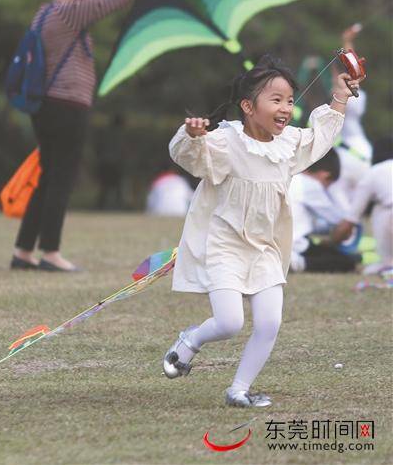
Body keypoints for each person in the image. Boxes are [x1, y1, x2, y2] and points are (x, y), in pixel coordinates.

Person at [162, 54, 362, 408]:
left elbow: (321, 137)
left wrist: (341, 95)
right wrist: (193, 136)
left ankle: (238, 390)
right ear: (248, 106)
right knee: (229, 323)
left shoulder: (289, 146)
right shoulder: (226, 141)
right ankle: (189, 341)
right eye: (276, 99)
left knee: (269, 323)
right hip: (225, 245)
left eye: (288, 100)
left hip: (266, 248)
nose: (286, 107)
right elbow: (189, 157)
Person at [10, 0, 146, 272]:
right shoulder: (68, 13)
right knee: (62, 177)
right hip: (66, 104)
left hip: (47, 105)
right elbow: (107, 5)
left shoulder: (44, 12)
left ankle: (23, 251)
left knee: (47, 177)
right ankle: (51, 252)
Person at [289, 149, 359, 273]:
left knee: (326, 251)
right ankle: (298, 263)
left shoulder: (290, 178)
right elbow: (337, 219)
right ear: (325, 175)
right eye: (328, 184)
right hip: (294, 245)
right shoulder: (310, 185)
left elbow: (309, 223)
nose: (326, 190)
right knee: (348, 261)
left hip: (279, 241)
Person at [333, 136, 393, 275]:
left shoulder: (374, 172)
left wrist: (332, 242)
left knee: (380, 208)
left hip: (389, 214)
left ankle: (388, 263)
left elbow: (351, 219)